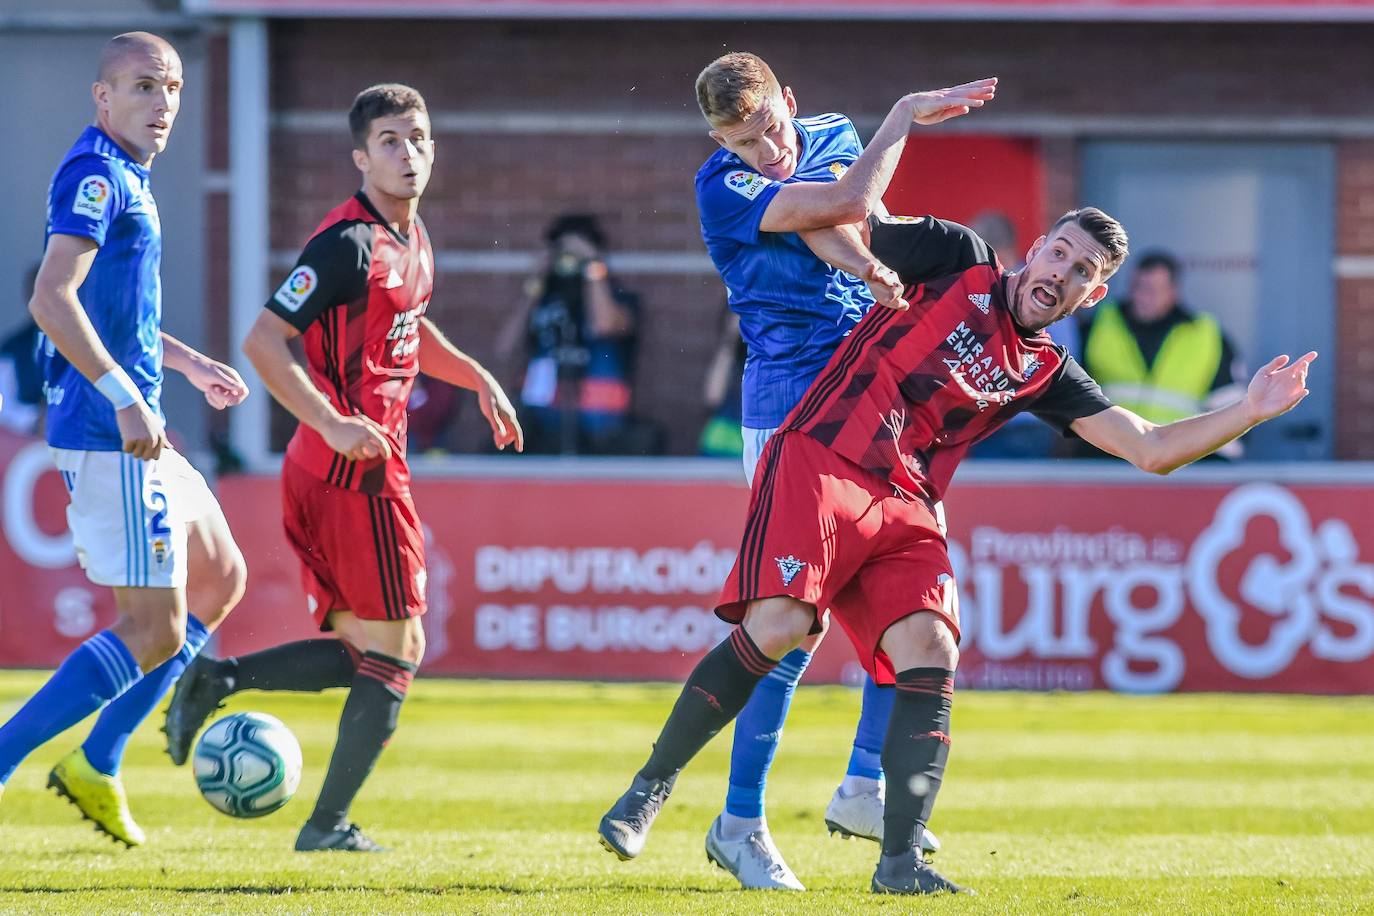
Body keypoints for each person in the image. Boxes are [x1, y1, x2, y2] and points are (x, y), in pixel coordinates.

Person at [600, 205, 1316, 895]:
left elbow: (1151, 449)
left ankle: (900, 863)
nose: (1061, 273)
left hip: (907, 505)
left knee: (932, 648)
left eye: (1082, 271)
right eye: (1059, 253)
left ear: (1093, 294)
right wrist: (891, 132)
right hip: (826, 456)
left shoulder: (1046, 372)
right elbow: (845, 223)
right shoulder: (957, 256)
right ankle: (648, 789)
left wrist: (1249, 411)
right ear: (1035, 249)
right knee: (783, 626)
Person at [597, 50, 996, 889]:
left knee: (918, 601)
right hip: (787, 411)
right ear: (716, 138)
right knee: (793, 625)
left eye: (770, 129)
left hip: (875, 401)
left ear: (790, 99)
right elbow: (845, 206)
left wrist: (867, 265)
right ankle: (740, 818)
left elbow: (837, 224)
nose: (764, 152)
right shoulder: (722, 185)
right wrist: (904, 112)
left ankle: (861, 784)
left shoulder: (829, 134)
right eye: (741, 142)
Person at [162, 83, 523, 852]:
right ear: (361, 156)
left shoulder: (411, 237)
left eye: (418, 137)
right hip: (352, 472)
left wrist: (479, 379)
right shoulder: (347, 243)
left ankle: (218, 681)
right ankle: (325, 827)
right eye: (390, 140)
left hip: (340, 467)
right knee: (400, 652)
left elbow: (409, 332)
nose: (408, 152)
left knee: (372, 650)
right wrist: (330, 420)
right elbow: (264, 340)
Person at [0, 32, 250, 848]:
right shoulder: (96, 176)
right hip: (109, 435)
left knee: (220, 579)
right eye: (144, 86)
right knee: (155, 631)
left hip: (135, 418)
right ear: (102, 98)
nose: (164, 103)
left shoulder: (128, 177)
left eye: (172, 87)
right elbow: (51, 299)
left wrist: (186, 363)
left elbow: (118, 313)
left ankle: (96, 760)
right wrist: (124, 397)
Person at [498, 213, 644, 454]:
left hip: (602, 436)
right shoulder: (542, 297)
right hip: (539, 432)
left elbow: (604, 325)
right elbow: (505, 347)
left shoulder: (618, 297)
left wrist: (592, 265)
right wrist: (537, 281)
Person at [1079, 249, 1246, 457]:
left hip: (1179, 460)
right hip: (1107, 455)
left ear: (1173, 292)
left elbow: (1229, 405)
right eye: (1137, 287)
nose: (1142, 297)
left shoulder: (1206, 334)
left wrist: (1218, 466)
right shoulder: (1099, 324)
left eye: (1153, 290)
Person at [0, 266, 45, 436]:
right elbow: (4, 407)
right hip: (28, 447)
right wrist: (35, 419)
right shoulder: (13, 347)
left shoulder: (84, 343)